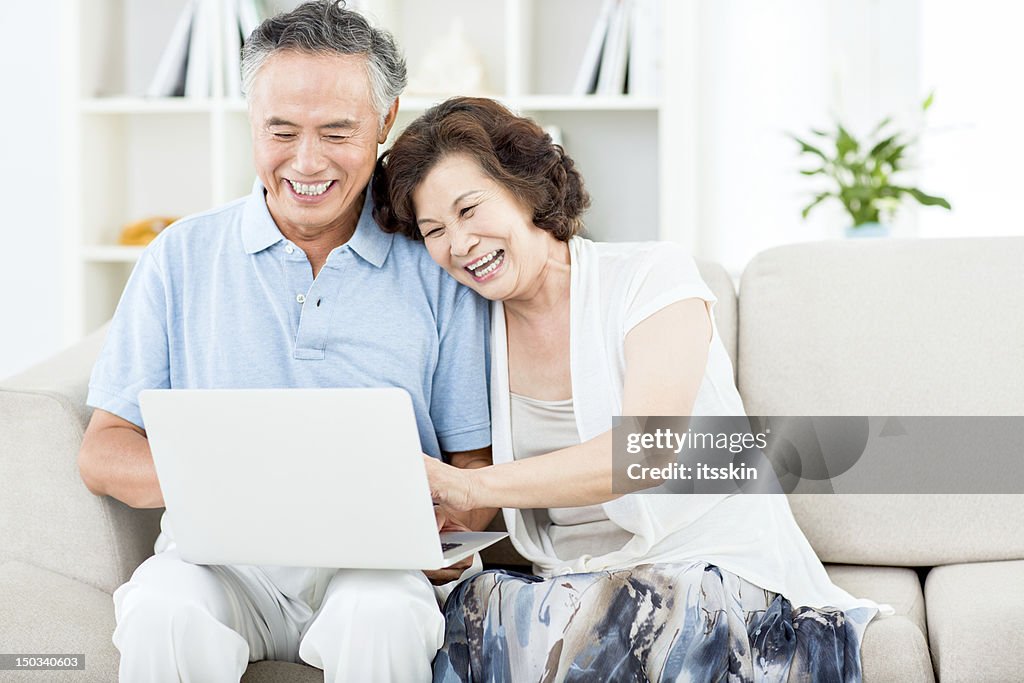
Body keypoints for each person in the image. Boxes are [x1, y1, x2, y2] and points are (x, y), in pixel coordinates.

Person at [372, 97, 884, 682]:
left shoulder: (650, 276)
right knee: (474, 614)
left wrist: (467, 486)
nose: (458, 244)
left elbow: (646, 452)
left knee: (634, 620)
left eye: (470, 209)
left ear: (525, 189)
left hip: (704, 572)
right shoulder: (468, 327)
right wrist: (436, 536)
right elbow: (474, 491)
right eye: (434, 231)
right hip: (572, 588)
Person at [77, 4, 494, 682]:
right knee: (161, 607)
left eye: (337, 131)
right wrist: (239, 485)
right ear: (251, 119)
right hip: (218, 565)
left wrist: (444, 529)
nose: (306, 162)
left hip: (375, 568)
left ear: (386, 123)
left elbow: (475, 469)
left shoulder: (435, 265)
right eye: (281, 130)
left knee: (381, 619)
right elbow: (103, 451)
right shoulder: (180, 256)